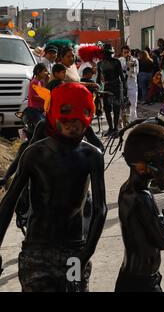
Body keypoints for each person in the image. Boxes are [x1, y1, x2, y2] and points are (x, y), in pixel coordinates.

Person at [0, 83, 107, 292]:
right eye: (66, 118)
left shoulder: (92, 156)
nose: (72, 126)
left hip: (74, 249)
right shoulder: (34, 154)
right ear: (53, 113)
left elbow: (100, 209)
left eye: (78, 120)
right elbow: (10, 200)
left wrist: (85, 254)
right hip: (36, 250)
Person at [115, 124, 164, 292]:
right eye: (163, 159)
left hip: (130, 277)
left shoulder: (126, 189)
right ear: (141, 165)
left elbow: (144, 227)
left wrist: (158, 222)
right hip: (143, 284)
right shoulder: (143, 196)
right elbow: (162, 241)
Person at [96, 44, 127, 136]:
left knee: (116, 107)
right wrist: (97, 87)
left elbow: (121, 75)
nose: (108, 55)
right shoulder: (100, 64)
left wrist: (124, 88)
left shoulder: (116, 62)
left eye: (109, 53)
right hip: (107, 86)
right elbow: (98, 78)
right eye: (106, 53)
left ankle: (116, 129)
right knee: (106, 108)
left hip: (117, 86)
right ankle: (110, 128)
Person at [119, 45, 139, 121]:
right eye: (125, 52)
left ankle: (133, 119)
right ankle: (122, 119)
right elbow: (120, 72)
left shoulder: (135, 60)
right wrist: (126, 67)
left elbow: (136, 72)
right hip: (123, 85)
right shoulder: (120, 61)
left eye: (128, 52)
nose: (127, 54)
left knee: (133, 103)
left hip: (132, 84)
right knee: (122, 104)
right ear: (122, 53)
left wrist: (130, 68)